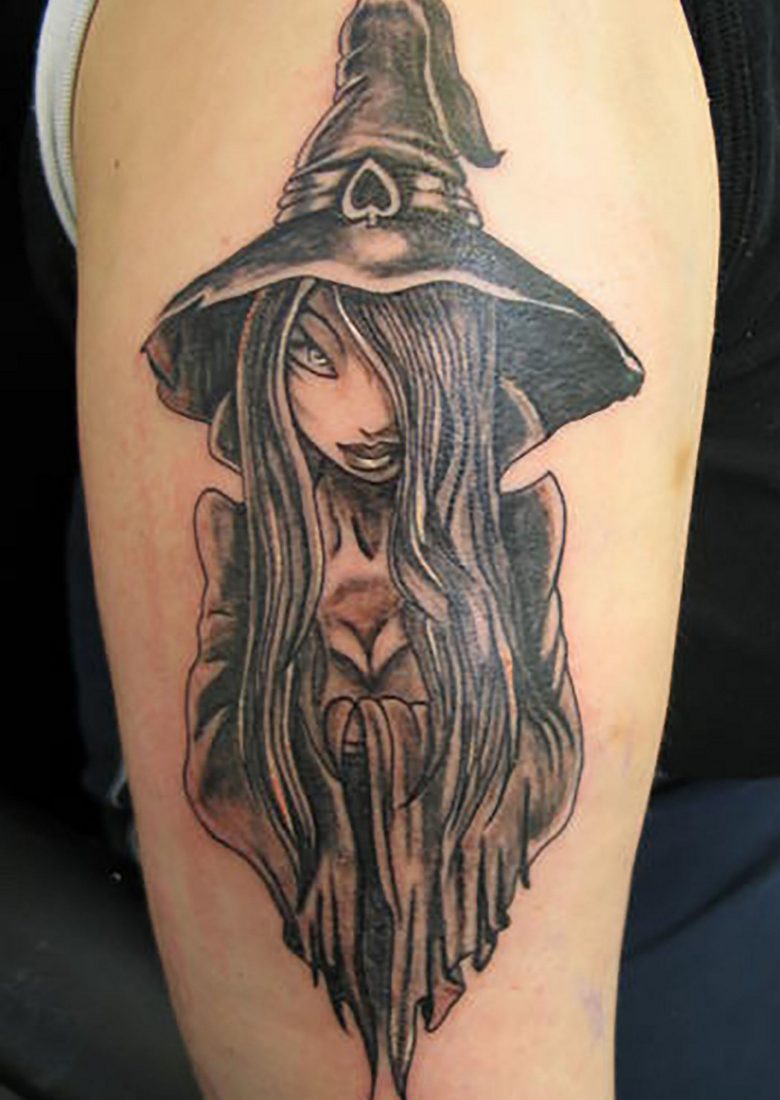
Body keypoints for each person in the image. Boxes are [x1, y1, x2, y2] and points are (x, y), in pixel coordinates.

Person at [32, 0, 780, 1098]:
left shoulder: (505, 532)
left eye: (406, 350)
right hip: (565, 919)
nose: (368, 410)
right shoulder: (527, 43)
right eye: (318, 353)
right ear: (261, 360)